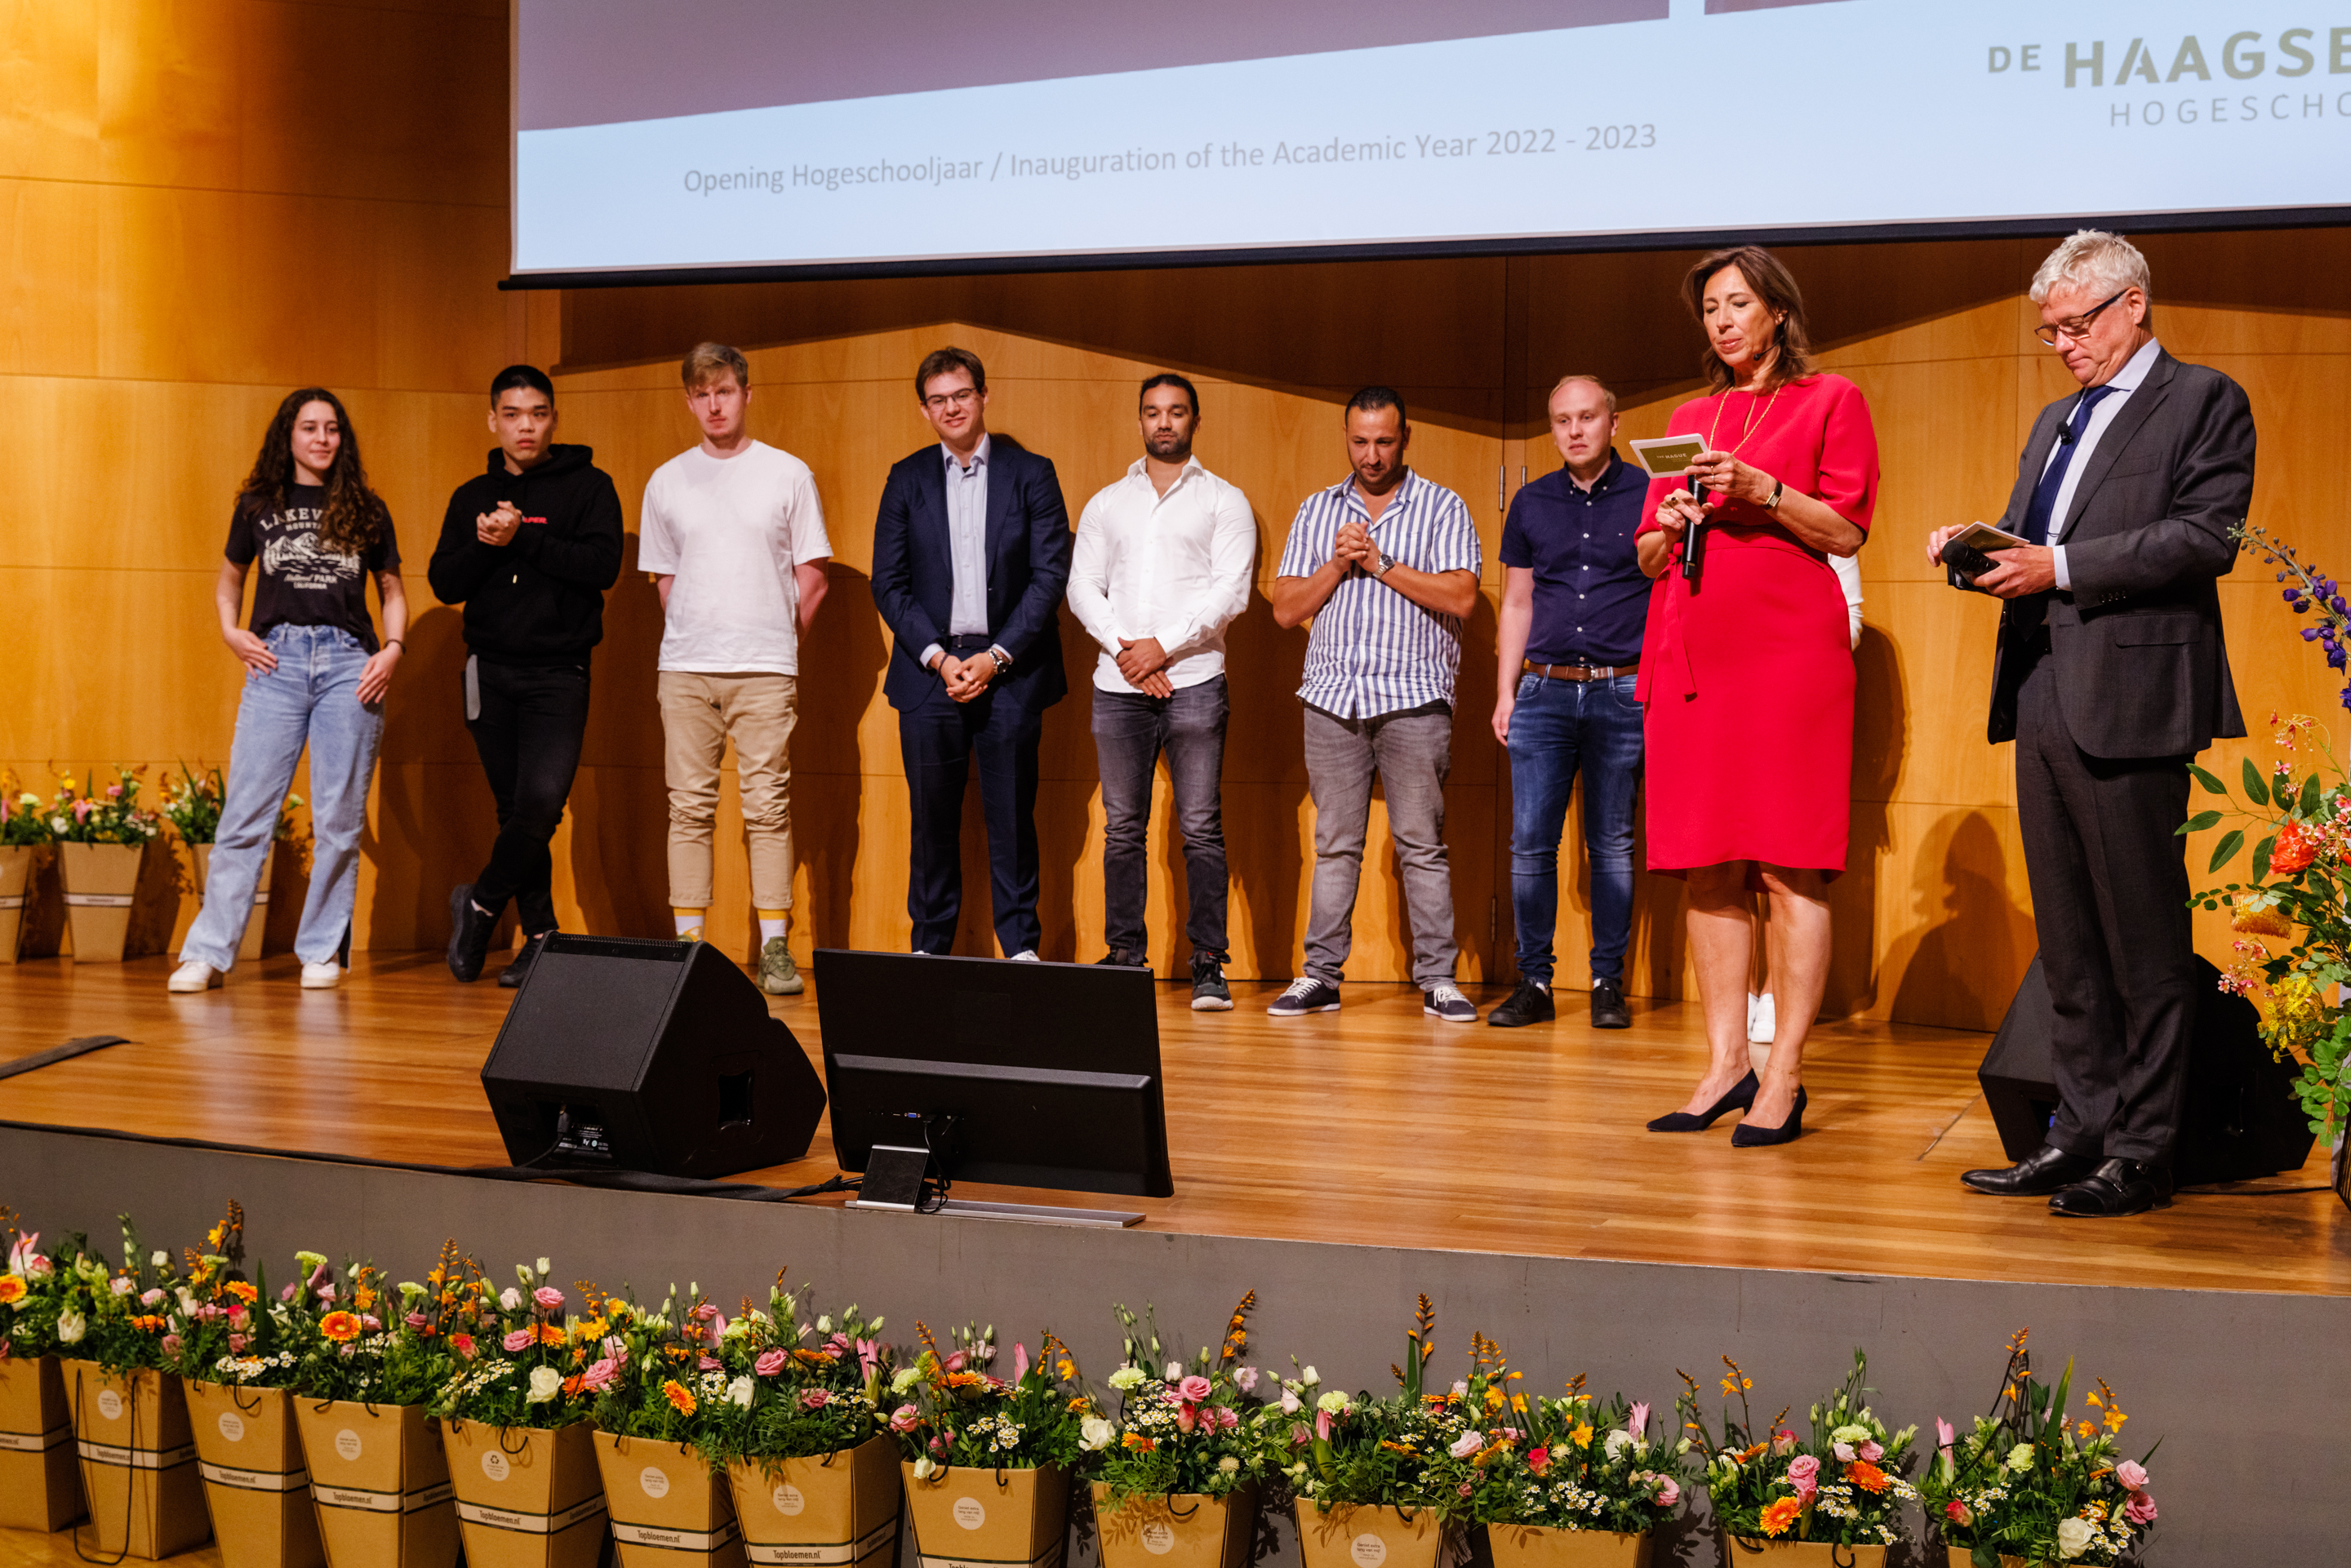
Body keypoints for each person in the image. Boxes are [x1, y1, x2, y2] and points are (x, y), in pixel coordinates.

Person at [1933, 230, 2252, 1218]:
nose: (2065, 344)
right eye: (2052, 331)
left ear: (2133, 305)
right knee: (2069, 938)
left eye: (2077, 325)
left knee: (2144, 940)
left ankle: (2145, 1151)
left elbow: (2208, 535)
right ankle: (2078, 1130)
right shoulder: (2056, 419)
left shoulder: (2204, 399)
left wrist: (2058, 569)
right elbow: (2033, 540)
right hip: (2042, 691)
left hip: (2136, 699)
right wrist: (1975, 550)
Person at [1635, 246, 1878, 1145]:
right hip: (1694, 650)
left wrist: (1761, 489)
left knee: (1787, 861)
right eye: (1710, 309)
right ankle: (1724, 1065)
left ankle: (1784, 1075)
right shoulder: (1689, 416)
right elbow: (1646, 558)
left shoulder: (1831, 400)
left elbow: (1846, 529)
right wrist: (1668, 521)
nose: (1723, 320)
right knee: (1705, 861)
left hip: (1786, 656)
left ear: (1778, 311)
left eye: (1739, 303)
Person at [169, 389, 407, 993]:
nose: (322, 438)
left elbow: (392, 589)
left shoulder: (367, 508)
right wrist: (231, 632)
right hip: (278, 662)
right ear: (289, 436)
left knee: (338, 817)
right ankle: (208, 951)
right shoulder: (258, 505)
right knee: (246, 813)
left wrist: (394, 647)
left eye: (331, 429)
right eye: (309, 428)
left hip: (349, 665)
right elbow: (230, 582)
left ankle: (321, 950)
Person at [1268, 388, 1482, 1022]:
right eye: (1360, 441)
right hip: (1333, 697)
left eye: (1384, 441)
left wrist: (1381, 562)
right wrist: (1339, 564)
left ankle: (1438, 978)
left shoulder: (1442, 506)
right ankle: (1320, 976)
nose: (1371, 454)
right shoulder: (1316, 510)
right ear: (1346, 437)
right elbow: (1285, 608)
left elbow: (1463, 597)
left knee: (1421, 843)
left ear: (1405, 438)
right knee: (1336, 844)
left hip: (1414, 697)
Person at [639, 343, 832, 995]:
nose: (714, 404)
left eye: (724, 391)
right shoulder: (666, 480)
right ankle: (689, 945)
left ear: (747, 393)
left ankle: (775, 946)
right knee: (688, 808)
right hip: (687, 668)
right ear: (689, 400)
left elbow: (813, 576)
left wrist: (777, 643)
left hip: (765, 669)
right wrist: (701, 633)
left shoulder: (787, 474)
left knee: (767, 809)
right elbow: (664, 578)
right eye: (701, 394)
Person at [872, 346, 1071, 959]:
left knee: (1012, 818)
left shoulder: (1032, 472)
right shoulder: (905, 477)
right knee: (931, 825)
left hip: (1011, 671)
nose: (951, 407)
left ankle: (1021, 951)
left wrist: (998, 656)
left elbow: (1050, 575)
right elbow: (889, 580)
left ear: (984, 396)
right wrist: (937, 656)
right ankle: (929, 950)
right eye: (938, 399)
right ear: (924, 409)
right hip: (931, 672)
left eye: (962, 395)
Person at [1066, 373, 1255, 1007]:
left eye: (1176, 412)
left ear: (1196, 420)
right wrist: (1128, 650)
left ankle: (1208, 962)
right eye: (1153, 412)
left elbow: (1230, 591)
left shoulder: (1224, 501)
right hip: (1118, 684)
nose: (1164, 423)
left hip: (1196, 682)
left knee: (1200, 827)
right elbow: (1081, 587)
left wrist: (1160, 647)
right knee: (1123, 829)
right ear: (1140, 420)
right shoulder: (1105, 503)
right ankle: (1125, 956)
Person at [432, 365, 624, 988]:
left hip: (558, 671)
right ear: (493, 420)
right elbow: (444, 582)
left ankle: (482, 902)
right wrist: (489, 543)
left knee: (542, 803)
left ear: (553, 419)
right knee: (515, 808)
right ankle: (540, 934)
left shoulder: (590, 486)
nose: (525, 425)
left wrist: (523, 539)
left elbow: (603, 565)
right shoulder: (471, 496)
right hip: (488, 671)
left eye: (537, 413)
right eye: (512, 414)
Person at [1488, 374, 1647, 1031]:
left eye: (1587, 417)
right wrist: (1505, 691)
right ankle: (1535, 982)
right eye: (1561, 420)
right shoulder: (1530, 502)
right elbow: (1517, 602)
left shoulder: (1649, 494)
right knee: (1531, 844)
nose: (1575, 430)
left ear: (1613, 422)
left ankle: (1608, 981)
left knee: (1611, 842)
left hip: (1623, 688)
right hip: (1544, 689)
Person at [1747, 553, 1863, 1050]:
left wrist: (1779, 638)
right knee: (1726, 858)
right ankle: (1743, 991)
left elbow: (1851, 622)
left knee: (1787, 857)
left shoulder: (1823, 523)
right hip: (1720, 690)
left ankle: (1778, 994)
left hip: (1792, 691)